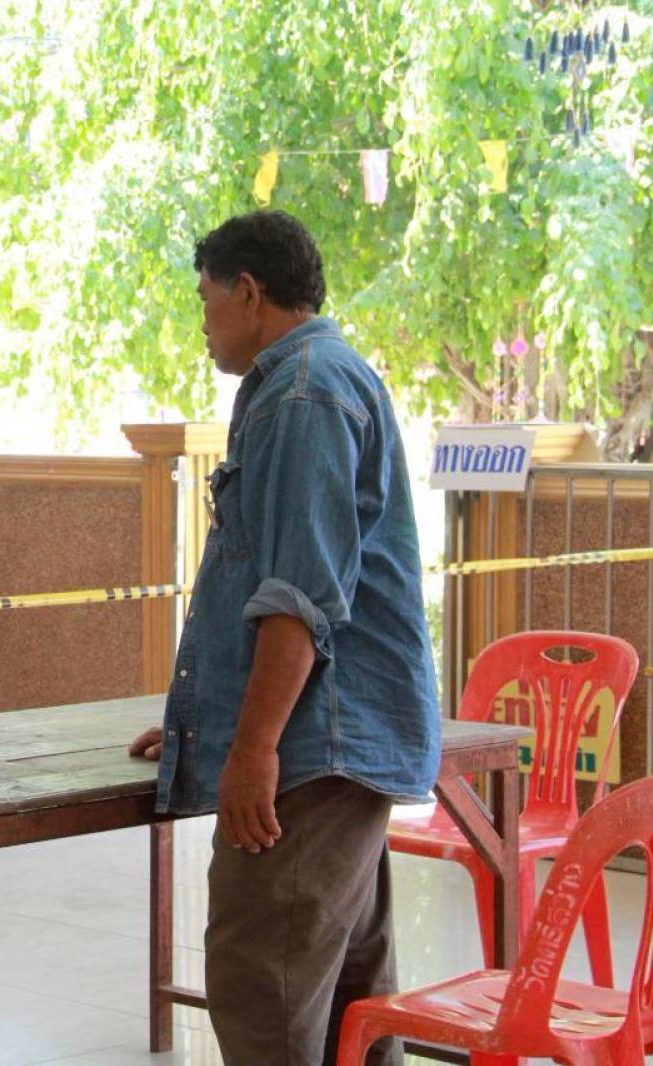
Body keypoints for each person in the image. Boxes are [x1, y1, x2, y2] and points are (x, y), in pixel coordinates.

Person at [129, 211, 440, 1066]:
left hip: (313, 752)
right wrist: (214, 721)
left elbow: (299, 596)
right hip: (333, 744)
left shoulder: (303, 393)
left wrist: (254, 748)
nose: (202, 321)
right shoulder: (318, 378)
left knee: (262, 986)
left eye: (206, 299)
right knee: (348, 1004)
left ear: (248, 292)